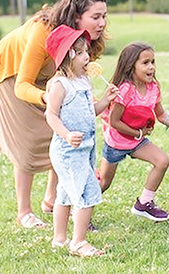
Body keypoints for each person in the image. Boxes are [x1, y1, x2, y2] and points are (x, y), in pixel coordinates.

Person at [0, 0, 108, 229]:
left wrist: (93, 103)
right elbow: (23, 86)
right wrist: (49, 99)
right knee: (28, 142)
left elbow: (77, 77)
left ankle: (52, 199)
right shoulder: (44, 31)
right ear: (75, 16)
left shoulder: (83, 40)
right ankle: (24, 212)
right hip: (12, 72)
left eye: (104, 16)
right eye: (96, 17)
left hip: (51, 75)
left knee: (63, 132)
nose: (102, 23)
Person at [44, 24, 117, 257]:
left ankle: (60, 238)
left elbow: (88, 111)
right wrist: (66, 134)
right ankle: (78, 242)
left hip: (84, 148)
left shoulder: (83, 81)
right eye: (83, 52)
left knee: (65, 192)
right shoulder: (59, 85)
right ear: (69, 55)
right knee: (87, 192)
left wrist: (106, 100)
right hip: (67, 150)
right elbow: (51, 115)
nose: (88, 57)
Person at [97, 42, 169, 222]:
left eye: (152, 62)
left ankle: (144, 203)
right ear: (131, 66)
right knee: (104, 183)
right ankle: (80, 208)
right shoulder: (125, 90)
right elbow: (114, 121)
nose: (151, 67)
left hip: (137, 140)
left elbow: (159, 113)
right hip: (117, 142)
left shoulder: (153, 87)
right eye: (145, 63)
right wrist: (138, 133)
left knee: (162, 161)